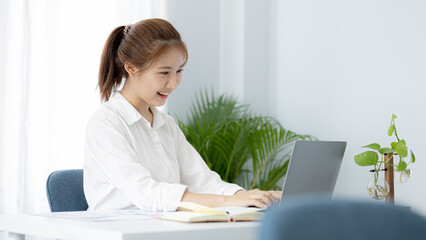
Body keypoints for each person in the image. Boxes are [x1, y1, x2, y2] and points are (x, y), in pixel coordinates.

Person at [84, 18, 281, 212]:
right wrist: (225, 201)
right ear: (131, 68)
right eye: (164, 73)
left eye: (179, 71)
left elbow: (202, 181)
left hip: (162, 228)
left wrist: (249, 197)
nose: (173, 83)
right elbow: (146, 193)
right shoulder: (105, 123)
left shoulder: (165, 124)